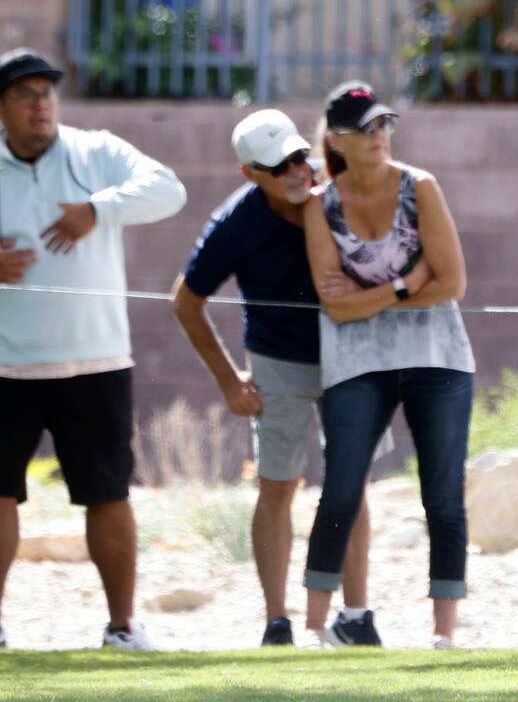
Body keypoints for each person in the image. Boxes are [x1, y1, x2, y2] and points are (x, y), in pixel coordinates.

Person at [0, 48, 187, 650]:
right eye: (26, 95)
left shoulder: (96, 151)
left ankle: (122, 627)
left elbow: (169, 190)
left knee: (107, 493)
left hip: (97, 361)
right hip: (5, 364)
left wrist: (97, 212)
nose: (41, 105)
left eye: (48, 93)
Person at [170, 109, 378, 647]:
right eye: (278, 165)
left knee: (350, 485)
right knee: (278, 485)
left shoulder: (338, 197)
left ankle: (356, 617)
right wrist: (228, 382)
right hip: (278, 362)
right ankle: (276, 622)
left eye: (297, 156)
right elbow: (186, 302)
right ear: (249, 174)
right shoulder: (233, 224)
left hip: (348, 356)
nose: (295, 170)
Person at [303, 81, 475, 650]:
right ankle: (313, 627)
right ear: (336, 140)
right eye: (365, 128)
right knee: (341, 490)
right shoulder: (319, 204)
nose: (379, 136)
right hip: (356, 361)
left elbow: (451, 283)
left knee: (442, 497)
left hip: (438, 356)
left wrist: (365, 296)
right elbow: (334, 307)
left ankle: (444, 633)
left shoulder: (420, 186)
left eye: (384, 125)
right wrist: (404, 285)